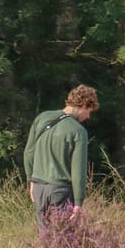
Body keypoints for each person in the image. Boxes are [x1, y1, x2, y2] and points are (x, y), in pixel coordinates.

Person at [23, 84, 99, 227]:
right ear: (84, 105)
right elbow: (78, 171)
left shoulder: (42, 118)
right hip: (61, 190)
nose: (88, 116)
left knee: (45, 239)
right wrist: (78, 202)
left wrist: (31, 180)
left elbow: (28, 153)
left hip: (39, 187)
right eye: (89, 111)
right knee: (63, 240)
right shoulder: (78, 131)